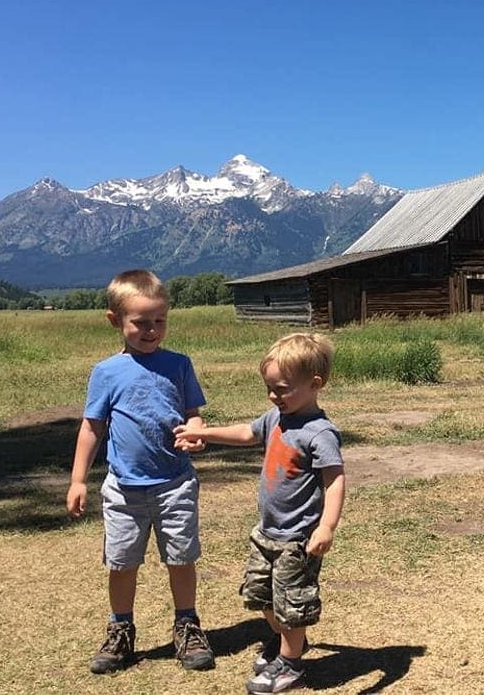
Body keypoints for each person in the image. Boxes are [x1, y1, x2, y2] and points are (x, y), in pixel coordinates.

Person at [174, 332, 345, 694]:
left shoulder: (320, 433)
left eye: (282, 388)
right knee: (260, 595)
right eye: (269, 388)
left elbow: (335, 480)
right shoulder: (276, 417)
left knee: (292, 604)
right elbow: (246, 433)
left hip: (296, 540)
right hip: (266, 533)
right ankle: (289, 643)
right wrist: (203, 433)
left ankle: (291, 664)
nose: (273, 396)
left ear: (315, 384)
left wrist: (326, 526)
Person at [66, 268, 215, 674]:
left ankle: (187, 624)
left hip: (175, 484)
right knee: (122, 563)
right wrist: (79, 479)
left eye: (159, 321)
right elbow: (92, 427)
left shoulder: (179, 364)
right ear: (115, 321)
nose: (151, 330)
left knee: (181, 560)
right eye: (140, 322)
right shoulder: (106, 372)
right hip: (123, 490)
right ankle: (121, 629)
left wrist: (197, 432)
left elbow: (192, 414)